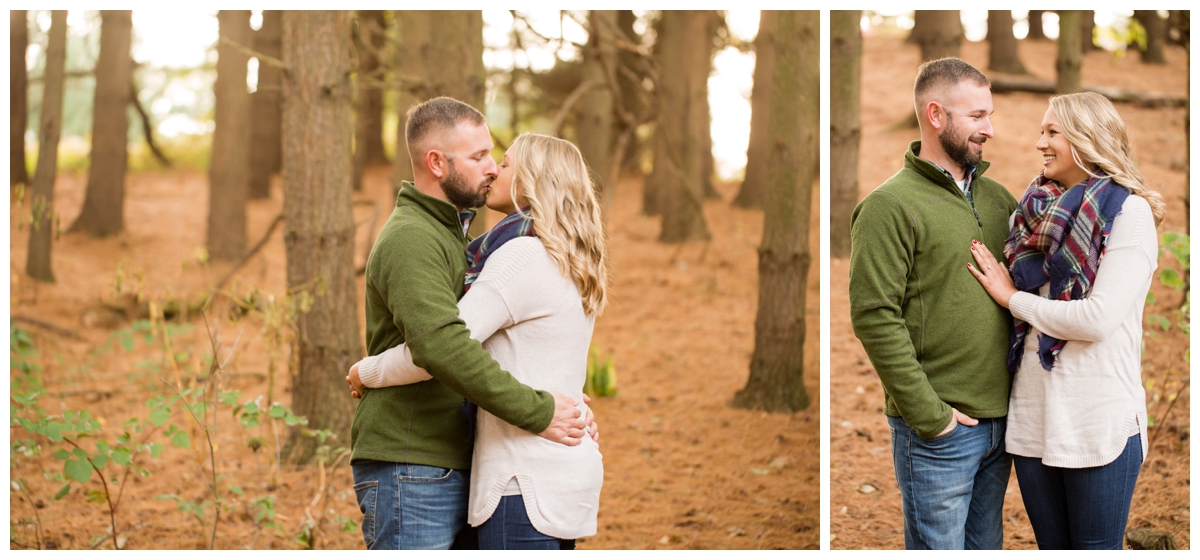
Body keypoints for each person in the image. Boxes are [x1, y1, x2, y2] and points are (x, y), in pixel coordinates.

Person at [348, 98, 593, 550]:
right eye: (480, 157)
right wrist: (541, 410)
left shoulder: (469, 241)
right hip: (412, 459)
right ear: (437, 163)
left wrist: (567, 400)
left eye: (495, 157)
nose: (491, 169)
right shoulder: (413, 238)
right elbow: (442, 346)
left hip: (456, 458)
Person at [966, 92, 1163, 550]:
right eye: (1042, 131)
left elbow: (1096, 319)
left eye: (1053, 132)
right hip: (1035, 415)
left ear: (1087, 138)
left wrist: (1013, 299)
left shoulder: (1128, 214)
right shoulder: (1033, 212)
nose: (1040, 143)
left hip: (1098, 419)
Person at [848, 57, 1018, 550]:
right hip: (939, 434)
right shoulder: (889, 206)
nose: (989, 129)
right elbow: (874, 316)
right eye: (977, 116)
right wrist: (931, 415)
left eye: (990, 115)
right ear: (936, 115)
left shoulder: (999, 200)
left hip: (1000, 427)